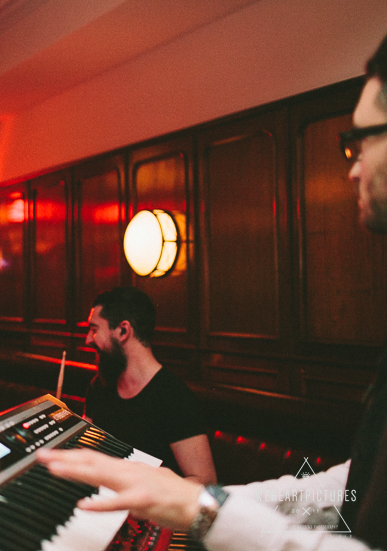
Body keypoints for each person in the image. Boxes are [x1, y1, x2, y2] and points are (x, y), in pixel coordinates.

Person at [38, 33, 387, 551]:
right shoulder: (101, 385)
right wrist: (203, 505)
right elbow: (351, 488)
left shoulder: (171, 396)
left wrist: (199, 510)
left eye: (362, 139)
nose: (353, 165)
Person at [84, 286, 216, 484]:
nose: (87, 340)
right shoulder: (99, 387)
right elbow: (86, 451)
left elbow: (205, 481)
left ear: (123, 331)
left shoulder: (173, 396)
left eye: (94, 330)